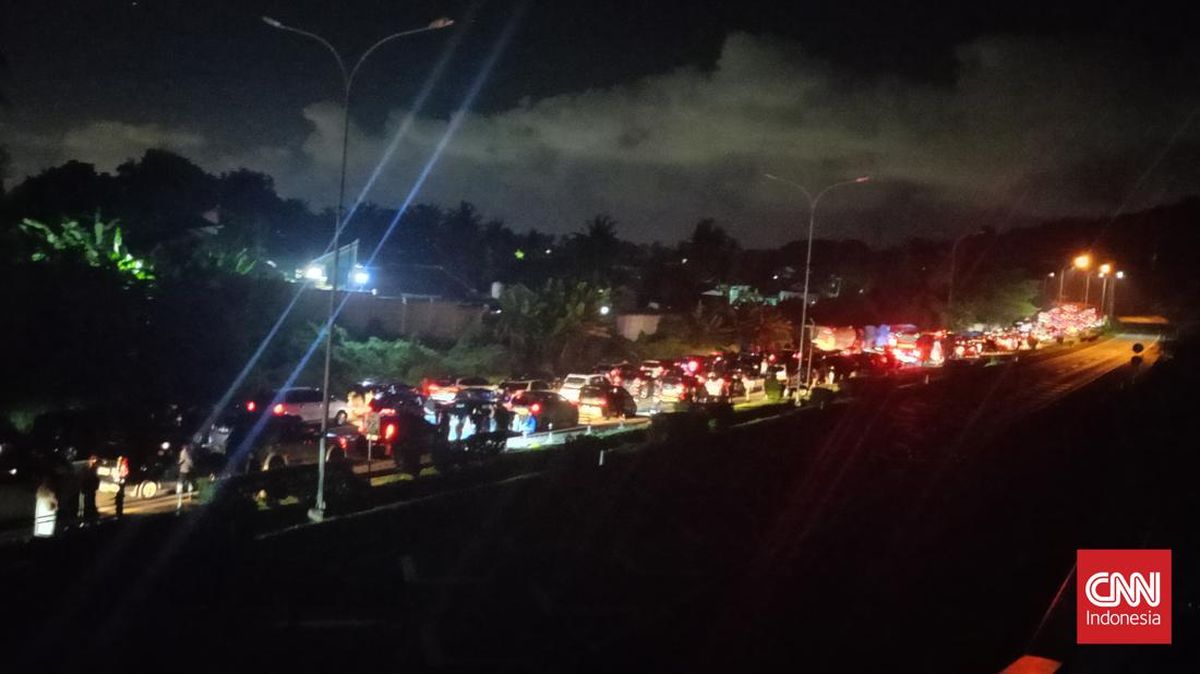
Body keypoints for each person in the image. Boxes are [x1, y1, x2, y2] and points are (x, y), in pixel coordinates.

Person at [80, 455, 100, 524]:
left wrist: (96, 486)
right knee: (87, 502)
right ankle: (88, 517)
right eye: (94, 461)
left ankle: (91, 516)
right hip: (87, 488)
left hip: (90, 488)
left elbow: (96, 479)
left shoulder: (93, 468)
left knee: (90, 502)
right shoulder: (87, 468)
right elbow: (84, 478)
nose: (94, 463)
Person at [177, 443, 195, 512]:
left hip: (184, 471)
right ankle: (181, 502)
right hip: (185, 471)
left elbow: (182, 460)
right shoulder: (186, 452)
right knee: (186, 484)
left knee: (182, 485)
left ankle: (180, 503)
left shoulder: (184, 452)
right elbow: (189, 462)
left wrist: (180, 462)